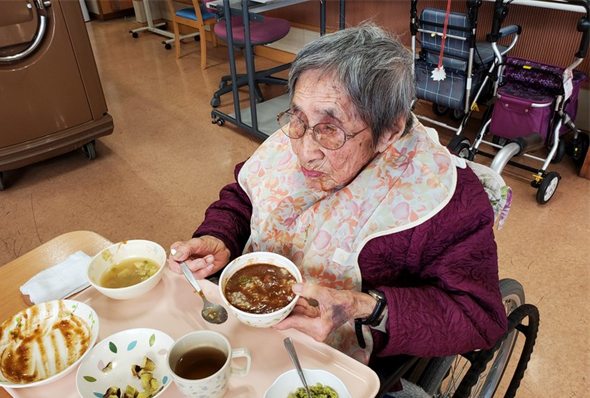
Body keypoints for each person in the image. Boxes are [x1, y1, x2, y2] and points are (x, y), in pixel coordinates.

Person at [169, 23, 507, 367]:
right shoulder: (298, 136)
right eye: (298, 118)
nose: (304, 152)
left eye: (330, 129)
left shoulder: (444, 198)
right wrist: (220, 236)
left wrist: (366, 307)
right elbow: (245, 196)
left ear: (389, 130)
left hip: (341, 360)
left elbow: (478, 318)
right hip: (250, 323)